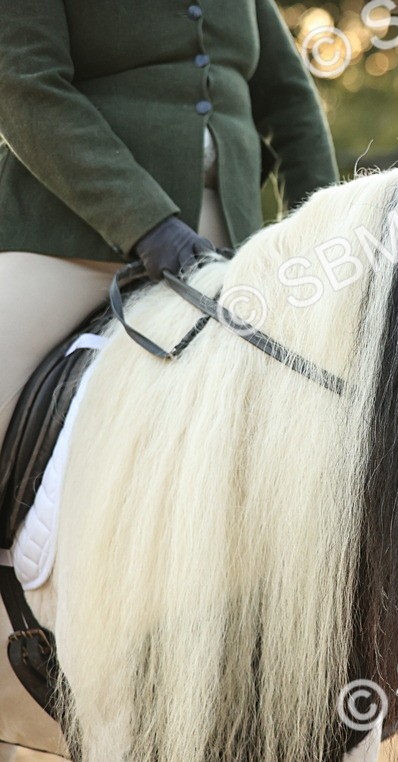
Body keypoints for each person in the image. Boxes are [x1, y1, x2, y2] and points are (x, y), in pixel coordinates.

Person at [0, 0, 340, 436]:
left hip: (224, 244)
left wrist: (321, 233)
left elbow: (291, 101)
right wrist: (144, 221)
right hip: (61, 242)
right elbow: (23, 86)